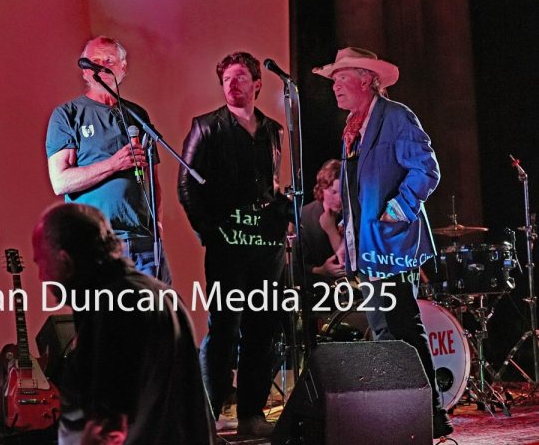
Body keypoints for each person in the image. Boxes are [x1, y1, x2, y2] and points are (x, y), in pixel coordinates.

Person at [312, 46, 453, 438]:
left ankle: (430, 415)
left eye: (342, 79)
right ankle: (405, 415)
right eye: (334, 80)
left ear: (367, 80)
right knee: (383, 329)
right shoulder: (353, 127)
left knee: (402, 327)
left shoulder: (396, 117)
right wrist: (350, 240)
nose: (335, 87)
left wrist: (399, 209)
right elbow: (358, 195)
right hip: (370, 243)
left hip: (392, 242)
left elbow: (427, 169)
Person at [178, 51, 293, 437]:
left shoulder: (274, 130)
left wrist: (284, 212)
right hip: (228, 245)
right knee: (224, 329)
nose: (233, 84)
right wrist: (209, 233)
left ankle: (251, 415)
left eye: (241, 77)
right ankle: (206, 417)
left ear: (258, 84)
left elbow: (270, 186)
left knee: (263, 330)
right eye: (227, 79)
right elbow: (186, 185)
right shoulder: (206, 127)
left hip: (266, 247)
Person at [31, 203, 215, 445]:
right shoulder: (160, 295)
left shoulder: (116, 308)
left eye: (42, 263)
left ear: (65, 260)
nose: (41, 275)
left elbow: (109, 426)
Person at [45, 36, 171, 284]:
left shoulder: (137, 115)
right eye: (95, 61)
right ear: (84, 71)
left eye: (109, 60)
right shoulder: (68, 115)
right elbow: (60, 181)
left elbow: (152, 180)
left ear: (122, 69)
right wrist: (114, 164)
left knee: (157, 316)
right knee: (108, 320)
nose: (102, 66)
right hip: (96, 243)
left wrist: (157, 224)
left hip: (143, 241)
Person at [298, 159, 346, 320]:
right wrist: (321, 270)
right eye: (333, 192)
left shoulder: (353, 216)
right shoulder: (303, 217)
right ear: (322, 189)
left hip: (352, 298)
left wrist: (332, 230)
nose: (339, 199)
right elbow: (294, 266)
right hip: (317, 299)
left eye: (343, 192)